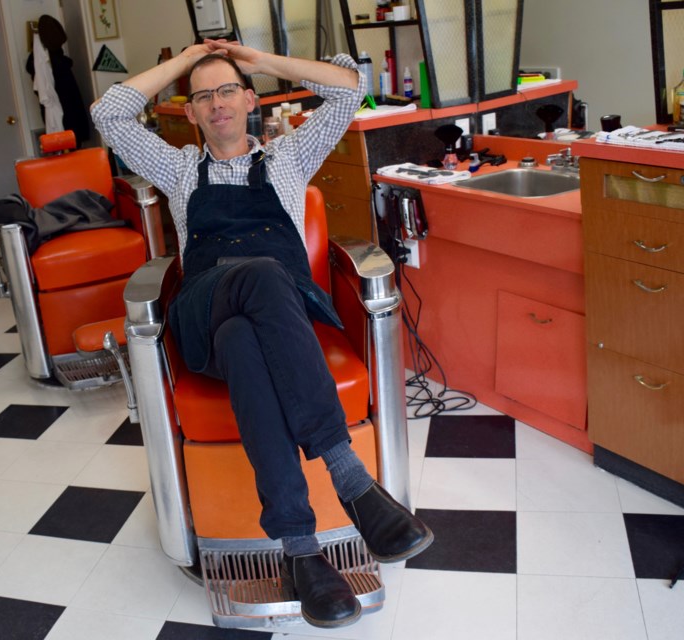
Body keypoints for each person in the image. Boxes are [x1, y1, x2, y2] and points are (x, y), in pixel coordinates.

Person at [91, 40, 432, 629]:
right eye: (203, 97)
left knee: (246, 345)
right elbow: (108, 114)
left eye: (228, 90)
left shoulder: (289, 157)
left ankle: (302, 554)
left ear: (250, 99)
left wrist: (257, 60)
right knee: (263, 274)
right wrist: (188, 61)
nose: (217, 103)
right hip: (203, 307)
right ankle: (350, 478)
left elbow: (350, 86)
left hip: (266, 324)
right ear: (192, 112)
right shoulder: (177, 168)